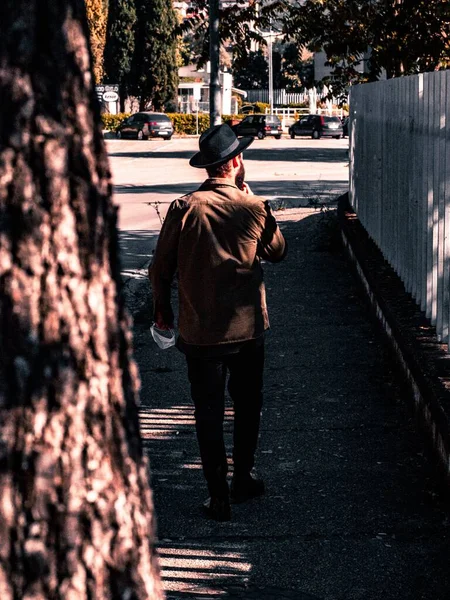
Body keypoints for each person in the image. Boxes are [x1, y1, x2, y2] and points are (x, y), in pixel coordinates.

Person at [150, 123, 287, 521]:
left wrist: (163, 311)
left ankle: (218, 496)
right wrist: (254, 198)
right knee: (247, 405)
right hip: (247, 330)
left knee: (207, 411)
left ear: (210, 166)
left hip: (201, 332)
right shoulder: (253, 207)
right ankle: (242, 477)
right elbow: (278, 251)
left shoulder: (184, 208)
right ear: (237, 162)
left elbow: (160, 268)